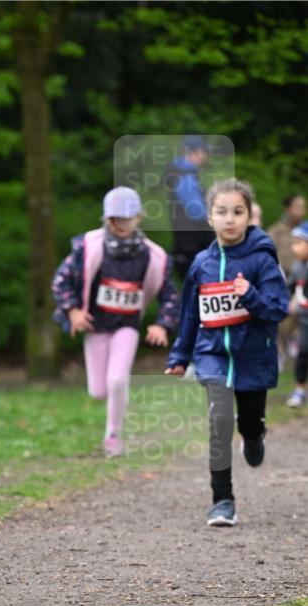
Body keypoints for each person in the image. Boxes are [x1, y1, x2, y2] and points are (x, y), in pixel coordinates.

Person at [165, 178, 289, 527]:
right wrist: (179, 356)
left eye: (238, 211)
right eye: (222, 212)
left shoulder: (262, 260)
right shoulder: (201, 263)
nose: (230, 219)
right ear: (210, 217)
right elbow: (190, 314)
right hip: (212, 354)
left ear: (249, 216)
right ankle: (222, 500)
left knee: (247, 421)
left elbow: (277, 309)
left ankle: (253, 433)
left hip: (253, 355)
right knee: (219, 422)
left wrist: (250, 295)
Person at [52, 186, 179, 457]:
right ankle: (118, 398)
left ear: (139, 218)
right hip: (96, 325)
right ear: (106, 219)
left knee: (117, 380)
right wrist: (73, 311)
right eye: (114, 219)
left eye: (126, 218)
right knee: (99, 391)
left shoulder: (153, 255)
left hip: (127, 325)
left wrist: (162, 324)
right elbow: (61, 281)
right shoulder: (88, 247)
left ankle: (113, 436)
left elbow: (169, 294)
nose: (120, 225)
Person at [164, 136, 213, 280]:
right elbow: (197, 211)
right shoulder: (184, 175)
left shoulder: (182, 173)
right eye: (203, 152)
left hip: (188, 247)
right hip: (192, 249)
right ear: (193, 152)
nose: (205, 156)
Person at [269, 193, 306, 367]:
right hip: (282, 282)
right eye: (298, 206)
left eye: (303, 207)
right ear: (288, 208)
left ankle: (297, 354)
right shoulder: (276, 231)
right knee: (283, 320)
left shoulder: (305, 230)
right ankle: (282, 353)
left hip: (303, 281)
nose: (301, 211)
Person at [286, 221, 308, 408]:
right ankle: (300, 389)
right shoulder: (297, 267)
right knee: (303, 353)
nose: (294, 248)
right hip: (304, 320)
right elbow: (290, 288)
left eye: (299, 243)